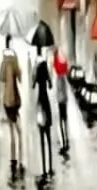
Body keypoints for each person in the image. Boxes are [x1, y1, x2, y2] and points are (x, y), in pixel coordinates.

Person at [0, 36, 23, 176]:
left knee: (12, 130)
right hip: (15, 100)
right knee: (19, 131)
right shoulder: (14, 60)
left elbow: (2, 80)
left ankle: (13, 158)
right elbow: (20, 78)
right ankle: (20, 157)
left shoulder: (4, 61)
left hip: (7, 101)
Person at [33, 49, 54, 182]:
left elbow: (32, 84)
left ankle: (44, 168)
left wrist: (35, 71)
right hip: (46, 103)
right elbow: (50, 86)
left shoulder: (38, 70)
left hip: (40, 104)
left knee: (41, 138)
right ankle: (50, 166)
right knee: (48, 137)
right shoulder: (46, 69)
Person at [54, 50, 70, 156]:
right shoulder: (63, 77)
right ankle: (66, 141)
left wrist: (59, 99)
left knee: (61, 122)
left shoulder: (60, 79)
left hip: (61, 101)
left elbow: (60, 92)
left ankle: (64, 143)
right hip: (64, 101)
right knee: (64, 121)